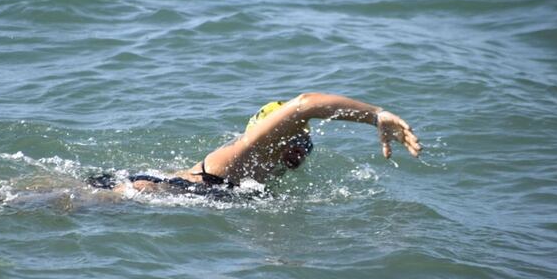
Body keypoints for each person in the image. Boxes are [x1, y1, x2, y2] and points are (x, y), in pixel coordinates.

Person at [88, 93, 421, 196]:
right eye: (294, 140)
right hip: (134, 193)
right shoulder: (250, 152)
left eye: (307, 145)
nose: (300, 152)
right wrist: (376, 115)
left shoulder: (269, 169)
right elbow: (305, 105)